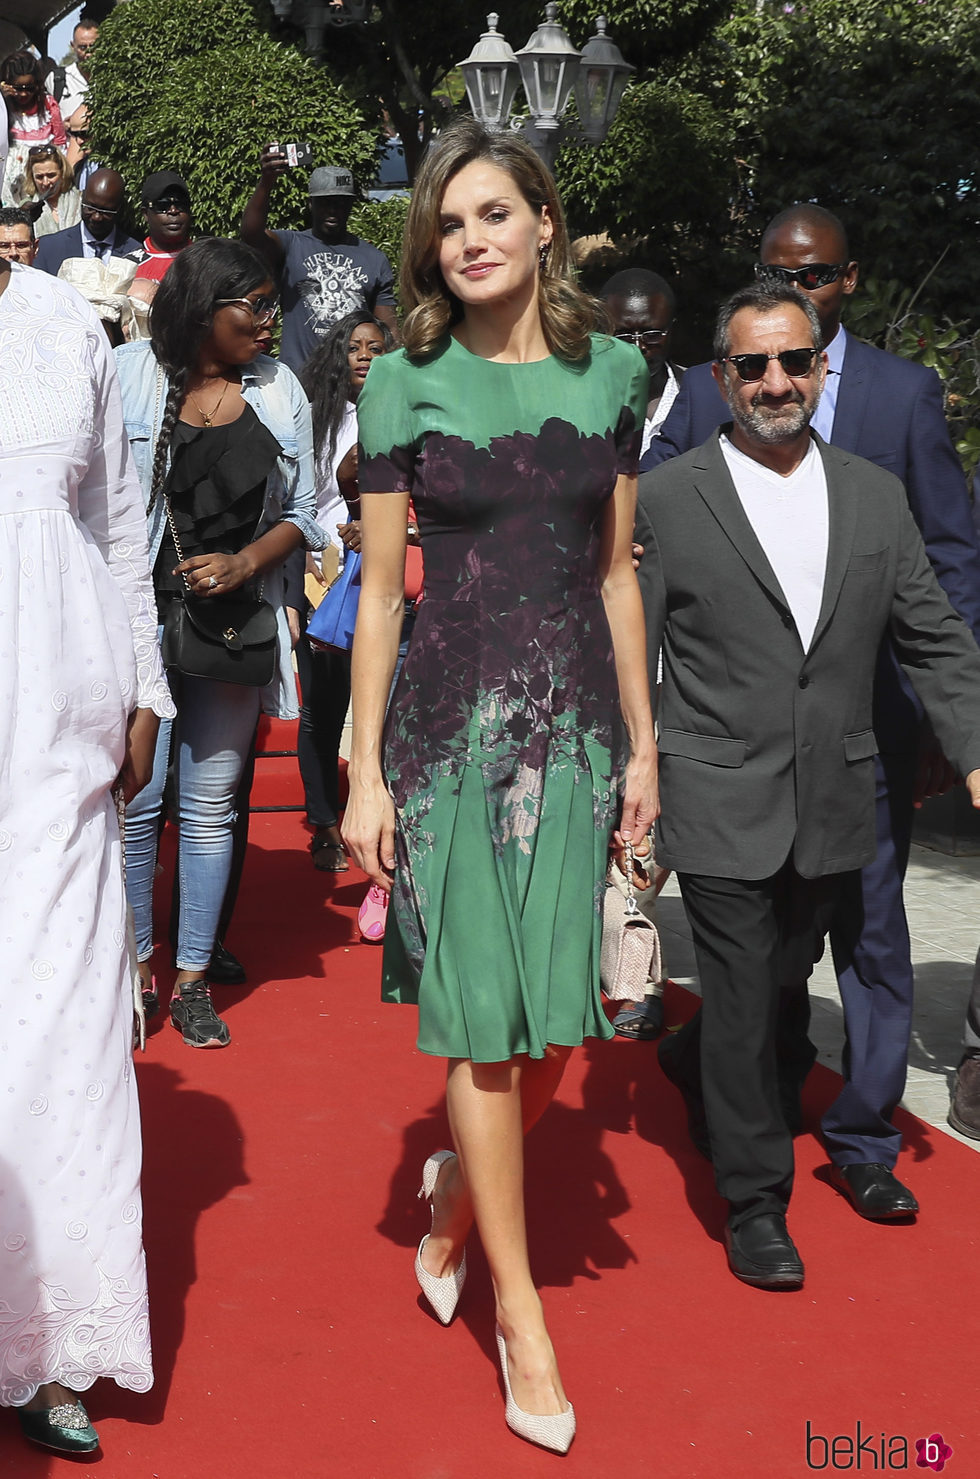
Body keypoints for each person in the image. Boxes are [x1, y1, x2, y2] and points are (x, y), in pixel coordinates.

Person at [342, 118, 654, 1453]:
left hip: (579, 724)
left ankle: (453, 1194)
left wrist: (645, 748)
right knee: (482, 1021)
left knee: (562, 1027)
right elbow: (373, 594)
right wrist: (361, 768)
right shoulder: (402, 386)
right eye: (448, 223)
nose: (468, 238)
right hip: (451, 734)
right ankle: (522, 1315)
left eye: (492, 214)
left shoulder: (619, 373)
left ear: (543, 226)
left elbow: (617, 571)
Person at [636, 281, 980, 1291]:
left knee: (785, 979)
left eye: (792, 362)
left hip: (835, 794)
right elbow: (627, 650)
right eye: (752, 365)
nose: (774, 381)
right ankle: (754, 1200)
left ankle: (687, 1061)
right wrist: (630, 772)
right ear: (720, 378)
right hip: (714, 788)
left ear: (820, 369)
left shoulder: (874, 496)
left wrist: (971, 749)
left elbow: (932, 639)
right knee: (744, 994)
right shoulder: (666, 498)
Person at [0, 249, 173, 1454]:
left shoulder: (68, 321)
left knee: (65, 1033)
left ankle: (56, 1345)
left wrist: (143, 685)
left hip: (61, 714)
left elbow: (118, 522)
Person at [115, 238, 324, 1049]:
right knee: (139, 800)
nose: (272, 322)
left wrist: (246, 560)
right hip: (139, 615)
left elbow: (304, 511)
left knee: (208, 807)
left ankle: (192, 979)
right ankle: (134, 966)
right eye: (258, 306)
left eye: (276, 305)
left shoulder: (280, 391)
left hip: (235, 623)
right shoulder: (130, 374)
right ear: (205, 310)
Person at [297, 311, 395, 873]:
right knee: (324, 706)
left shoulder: (405, 412)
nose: (363, 356)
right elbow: (296, 497)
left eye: (376, 348)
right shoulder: (318, 419)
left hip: (386, 570)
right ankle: (325, 823)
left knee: (381, 703)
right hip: (325, 571)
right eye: (354, 347)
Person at [242, 151, 398, 372]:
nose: (333, 210)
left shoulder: (374, 259)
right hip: (301, 379)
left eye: (340, 203)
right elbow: (251, 234)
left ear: (351, 205)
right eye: (325, 203)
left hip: (351, 383)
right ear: (311, 204)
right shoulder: (291, 245)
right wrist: (267, 182)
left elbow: (388, 331)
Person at [600, 267, 685, 460]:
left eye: (652, 335)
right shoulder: (584, 401)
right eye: (623, 336)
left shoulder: (701, 398)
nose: (638, 347)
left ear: (672, 331)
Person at [34, 166, 143, 273]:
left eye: (106, 211)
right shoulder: (48, 248)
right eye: (90, 208)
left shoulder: (136, 253)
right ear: (82, 198)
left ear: (119, 209)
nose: (97, 217)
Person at [0, 52, 66, 204]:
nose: (23, 93)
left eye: (29, 88)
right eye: (18, 88)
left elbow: (60, 142)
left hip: (44, 187)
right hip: (10, 191)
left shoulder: (49, 105)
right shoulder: (3, 107)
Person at [133, 170, 193, 282]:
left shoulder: (208, 261)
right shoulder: (128, 267)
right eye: (163, 206)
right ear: (145, 214)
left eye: (181, 204)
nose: (173, 211)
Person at [45, 17, 98, 122]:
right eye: (82, 47)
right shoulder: (56, 80)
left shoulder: (113, 77)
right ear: (73, 46)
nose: (88, 53)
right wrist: (62, 127)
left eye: (93, 47)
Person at [22, 142, 81, 236]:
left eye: (51, 175)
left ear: (62, 173)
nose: (45, 182)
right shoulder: (28, 208)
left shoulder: (81, 201)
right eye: (39, 177)